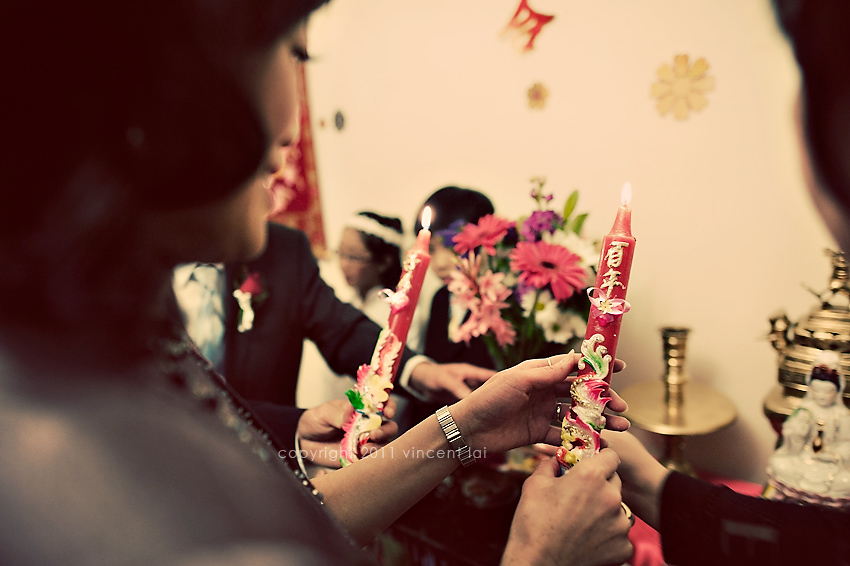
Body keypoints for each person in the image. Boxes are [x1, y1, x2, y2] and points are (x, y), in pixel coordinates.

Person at [4, 1, 636, 565]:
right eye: (294, 52)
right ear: (162, 88)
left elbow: (313, 516)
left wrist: (465, 429)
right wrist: (542, 556)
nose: (293, 128)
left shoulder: (97, 343)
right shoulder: (89, 470)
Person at [296, 211, 417, 429]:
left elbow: (396, 391)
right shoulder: (342, 306)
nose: (343, 264)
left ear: (384, 262)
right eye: (340, 253)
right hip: (334, 420)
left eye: (353, 257)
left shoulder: (401, 314)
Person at [417, 186, 499, 370]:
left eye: (453, 247)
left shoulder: (499, 299)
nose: (439, 264)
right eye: (431, 249)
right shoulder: (440, 298)